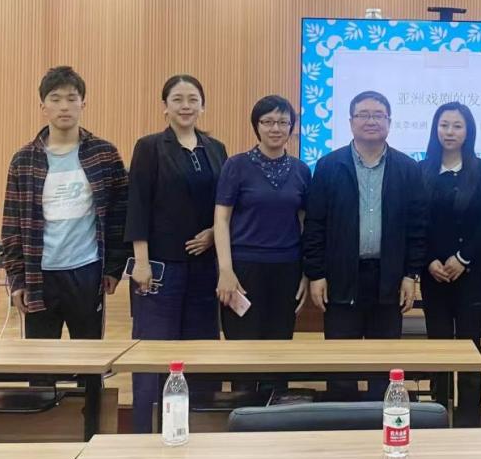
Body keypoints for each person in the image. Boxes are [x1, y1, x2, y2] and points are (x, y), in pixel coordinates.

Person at [303, 90, 426, 400]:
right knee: (340, 363)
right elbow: (315, 224)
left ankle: (381, 421)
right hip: (341, 277)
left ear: (389, 122)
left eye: (378, 115)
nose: (371, 121)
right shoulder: (329, 166)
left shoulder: (407, 168)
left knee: (383, 364)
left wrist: (410, 274)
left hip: (389, 278)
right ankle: (342, 421)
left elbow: (417, 227)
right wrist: (316, 274)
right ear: (351, 122)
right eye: (363, 115)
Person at [125, 74, 227, 433]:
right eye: (178, 99)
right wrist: (140, 262)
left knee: (201, 349)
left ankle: (201, 427)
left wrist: (214, 233)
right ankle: (145, 429)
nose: (186, 106)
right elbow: (137, 205)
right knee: (154, 351)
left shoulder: (216, 149)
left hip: (205, 268)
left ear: (203, 105)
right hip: (160, 268)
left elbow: (225, 205)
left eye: (193, 99)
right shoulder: (149, 147)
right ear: (165, 106)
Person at [2, 66, 128, 341]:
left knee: (89, 355)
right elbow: (11, 226)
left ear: (83, 104)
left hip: (87, 271)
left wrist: (114, 267)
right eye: (55, 99)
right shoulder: (23, 160)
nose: (64, 106)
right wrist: (16, 279)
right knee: (39, 358)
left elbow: (119, 215)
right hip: (39, 274)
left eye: (72, 98)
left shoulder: (104, 154)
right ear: (43, 107)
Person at [419, 102, 481, 427]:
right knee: (438, 350)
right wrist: (429, 261)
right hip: (433, 275)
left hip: (472, 275)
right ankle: (437, 418)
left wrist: (463, 258)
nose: (449, 132)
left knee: (469, 350)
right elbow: (415, 222)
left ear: (468, 131)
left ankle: (469, 423)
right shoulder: (421, 170)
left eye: (457, 126)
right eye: (444, 125)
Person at [214, 95, 311, 347]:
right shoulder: (236, 165)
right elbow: (221, 220)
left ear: (291, 127)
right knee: (242, 347)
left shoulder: (301, 170)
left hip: (287, 269)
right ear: (256, 126)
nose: (275, 128)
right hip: (244, 270)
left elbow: (304, 224)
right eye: (268, 121)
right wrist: (225, 271)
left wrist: (305, 273)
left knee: (279, 348)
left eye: (283, 122)